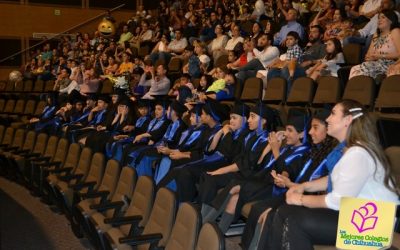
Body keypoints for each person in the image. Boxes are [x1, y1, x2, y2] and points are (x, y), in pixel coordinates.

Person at [264, 99, 399, 250]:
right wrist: (304, 186)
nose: (328, 118)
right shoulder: (350, 148)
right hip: (354, 214)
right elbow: (334, 178)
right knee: (284, 211)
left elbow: (337, 201)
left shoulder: (358, 153)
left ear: (347, 120)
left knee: (295, 221)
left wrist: (300, 198)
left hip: (373, 224)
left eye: (333, 114)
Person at [201, 109, 311, 234]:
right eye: (286, 129)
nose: (286, 133)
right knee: (234, 198)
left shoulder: (303, 153)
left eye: (290, 130)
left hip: (275, 188)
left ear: (302, 134)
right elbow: (260, 164)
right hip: (264, 180)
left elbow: (285, 174)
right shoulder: (287, 148)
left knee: (234, 185)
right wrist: (270, 147)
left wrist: (275, 150)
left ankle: (203, 223)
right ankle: (216, 234)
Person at [241, 108, 338, 249]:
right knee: (259, 208)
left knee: (271, 215)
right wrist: (286, 178)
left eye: (315, 127)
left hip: (317, 204)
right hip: (296, 192)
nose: (310, 132)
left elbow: (328, 193)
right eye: (311, 127)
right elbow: (293, 169)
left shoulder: (335, 155)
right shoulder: (315, 151)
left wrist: (291, 185)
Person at [349, 10, 400, 79]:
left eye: (383, 17)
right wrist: (369, 57)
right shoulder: (376, 34)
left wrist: (380, 56)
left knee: (360, 71)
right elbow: (369, 53)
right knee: (355, 69)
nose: (379, 20)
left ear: (391, 20)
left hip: (389, 63)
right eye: (378, 18)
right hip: (375, 63)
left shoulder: (395, 31)